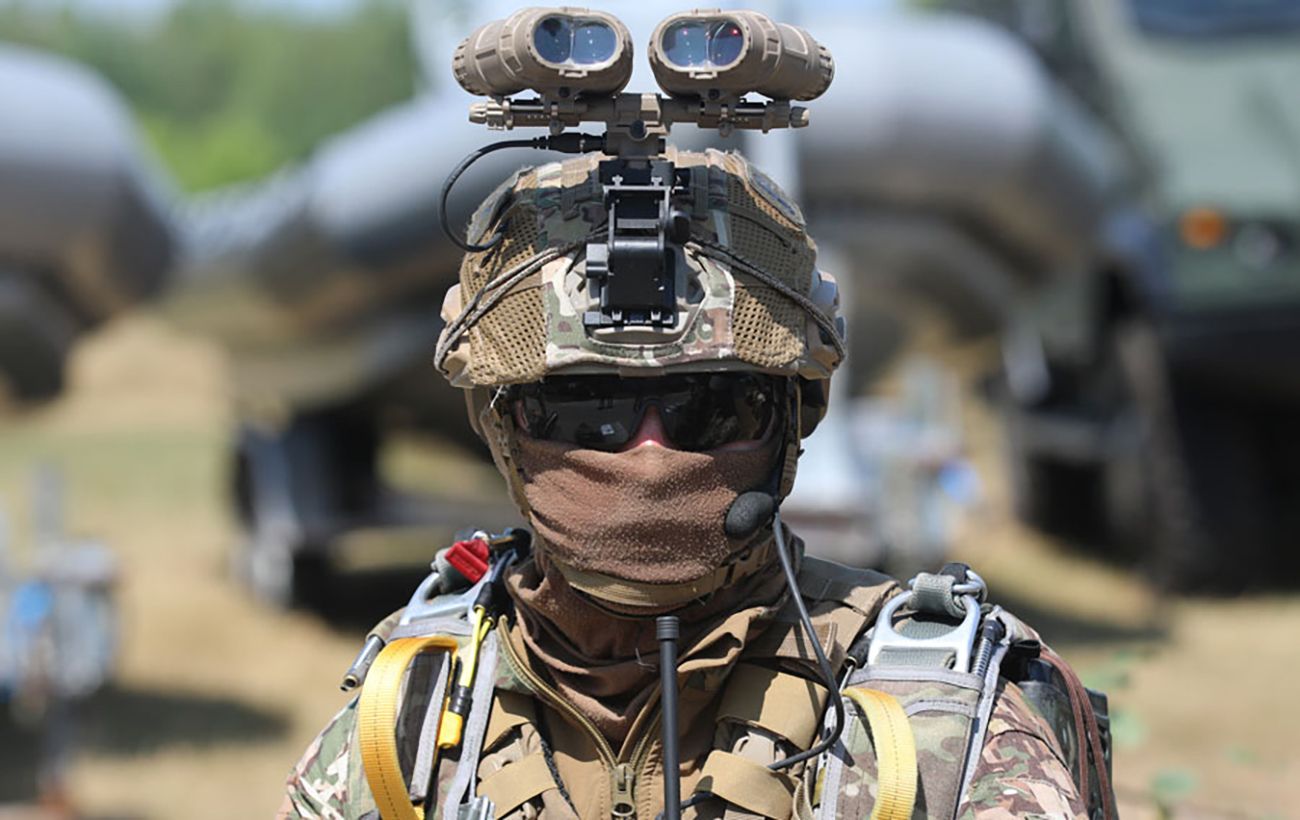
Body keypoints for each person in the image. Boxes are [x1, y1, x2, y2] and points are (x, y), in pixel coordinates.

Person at [277, 147, 1113, 820]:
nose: (649, 456)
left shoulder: (935, 727)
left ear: (797, 415)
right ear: (499, 424)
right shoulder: (410, 716)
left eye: (709, 408)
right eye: (588, 410)